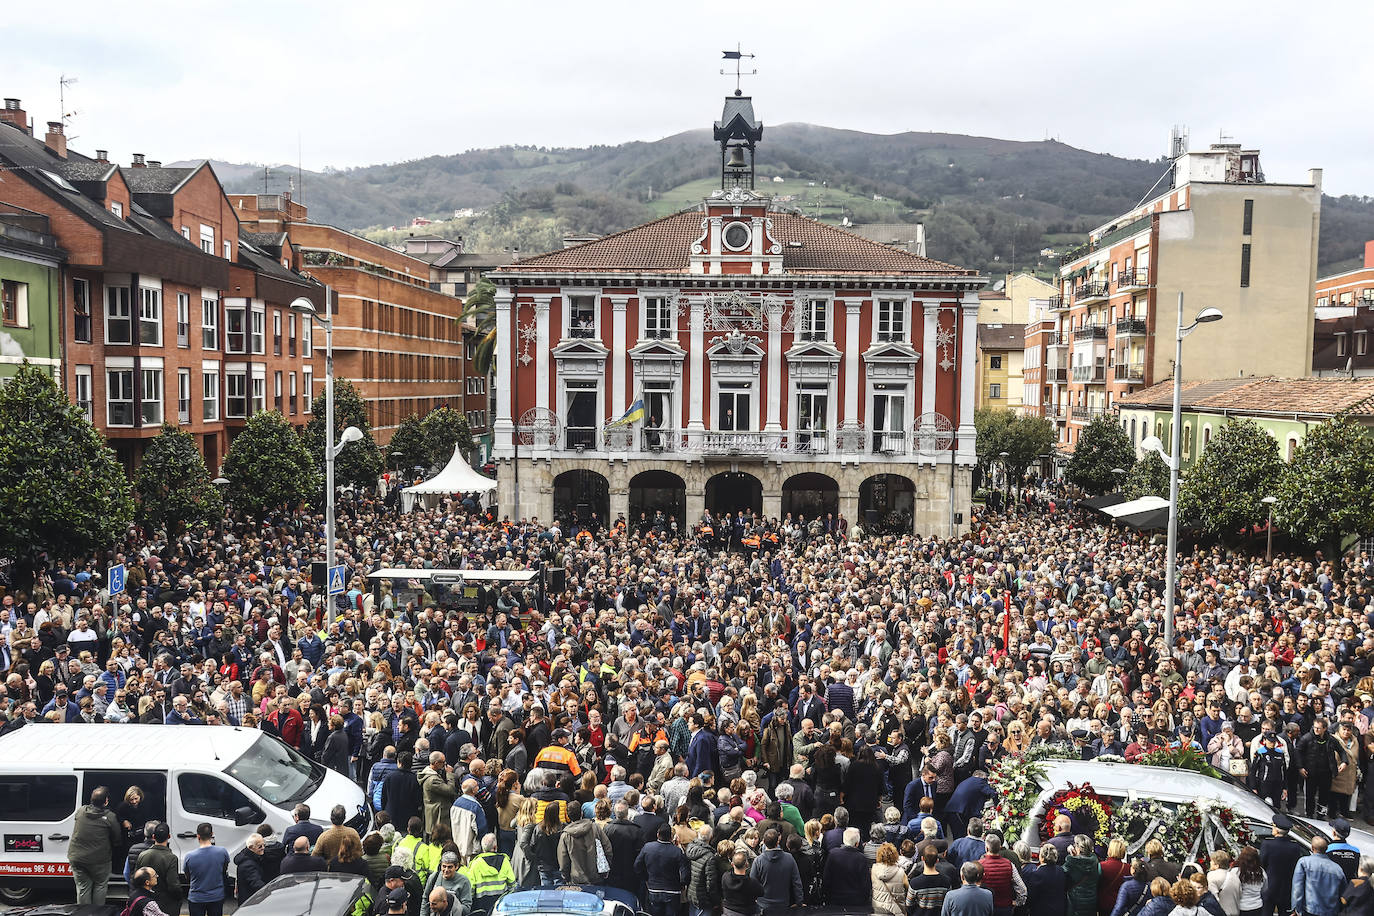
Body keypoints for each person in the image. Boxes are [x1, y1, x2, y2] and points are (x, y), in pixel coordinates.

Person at [68, 785, 121, 904]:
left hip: (77, 858)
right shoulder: (110, 817)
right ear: (106, 801)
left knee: (82, 887)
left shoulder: (81, 811)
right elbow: (117, 837)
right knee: (100, 885)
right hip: (99, 860)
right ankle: (98, 912)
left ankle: (84, 913)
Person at [636, 824, 689, 916]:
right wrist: (682, 884)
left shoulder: (648, 848)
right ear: (671, 837)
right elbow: (684, 873)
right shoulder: (677, 851)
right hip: (672, 890)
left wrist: (646, 878)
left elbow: (637, 866)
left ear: (658, 834)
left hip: (654, 888)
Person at [1258, 813, 1303, 916]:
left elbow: (1262, 864)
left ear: (1277, 829)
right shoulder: (1295, 847)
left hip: (1269, 888)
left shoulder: (1267, 845)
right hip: (1286, 889)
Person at [750, 827, 804, 913]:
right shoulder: (789, 858)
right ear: (778, 841)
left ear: (763, 842)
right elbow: (797, 882)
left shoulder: (758, 861)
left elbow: (752, 884)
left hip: (763, 906)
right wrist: (799, 902)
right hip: (783, 905)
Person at [558, 801, 612, 885]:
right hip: (596, 876)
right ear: (582, 813)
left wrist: (566, 876)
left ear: (568, 816)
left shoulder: (565, 836)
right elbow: (608, 849)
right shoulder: (595, 827)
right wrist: (605, 869)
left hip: (576, 879)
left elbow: (563, 861)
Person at [183, 823, 231, 916]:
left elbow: (187, 876)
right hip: (216, 896)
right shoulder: (222, 852)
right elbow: (224, 869)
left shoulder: (189, 856)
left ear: (198, 836)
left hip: (196, 897)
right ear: (212, 834)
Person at [136, 822, 183, 916]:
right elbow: (173, 885)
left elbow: (136, 879)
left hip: (146, 900)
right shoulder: (171, 858)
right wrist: (179, 897)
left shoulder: (142, 855)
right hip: (166, 903)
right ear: (169, 836)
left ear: (153, 836)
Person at [1291, 835, 1346, 916]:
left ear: (1312, 848)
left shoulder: (1304, 862)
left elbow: (1297, 888)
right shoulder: (1337, 869)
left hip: (1310, 910)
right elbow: (1343, 893)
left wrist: (1296, 909)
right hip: (1331, 912)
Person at [463, 834, 516, 915]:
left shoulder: (476, 864)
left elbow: (471, 888)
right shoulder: (504, 861)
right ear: (495, 847)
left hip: (481, 905)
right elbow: (512, 885)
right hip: (501, 905)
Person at [823, 827, 872, 906]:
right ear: (857, 844)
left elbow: (826, 878)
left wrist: (826, 896)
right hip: (856, 902)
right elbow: (865, 884)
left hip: (835, 899)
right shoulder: (861, 858)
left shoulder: (833, 854)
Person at [420, 852, 473, 916]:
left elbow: (467, 907)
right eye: (444, 866)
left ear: (456, 867)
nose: (446, 870)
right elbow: (425, 899)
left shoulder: (464, 881)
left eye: (450, 867)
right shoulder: (434, 877)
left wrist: (449, 906)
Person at [1022, 843, 1067, 916]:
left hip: (1042, 911)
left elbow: (1031, 896)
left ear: (1042, 858)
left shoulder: (1037, 874)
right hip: (1059, 910)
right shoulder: (1060, 870)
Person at [1064, 834, 1100, 916]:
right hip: (1091, 901)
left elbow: (1063, 873)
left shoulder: (1072, 862)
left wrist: (1071, 856)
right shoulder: (1094, 860)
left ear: (1079, 848)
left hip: (1075, 902)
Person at [722, 849, 765, 916]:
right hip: (747, 911)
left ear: (732, 864)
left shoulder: (725, 877)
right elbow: (761, 892)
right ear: (747, 865)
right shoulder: (752, 883)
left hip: (728, 911)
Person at [871, 841, 910, 916]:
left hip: (878, 909)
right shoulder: (901, 873)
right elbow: (907, 889)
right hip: (896, 911)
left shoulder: (874, 869)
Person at [234, 833, 270, 903]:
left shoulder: (251, 857)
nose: (263, 848)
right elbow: (256, 883)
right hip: (250, 901)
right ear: (251, 847)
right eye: (260, 846)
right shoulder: (248, 865)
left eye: (264, 845)